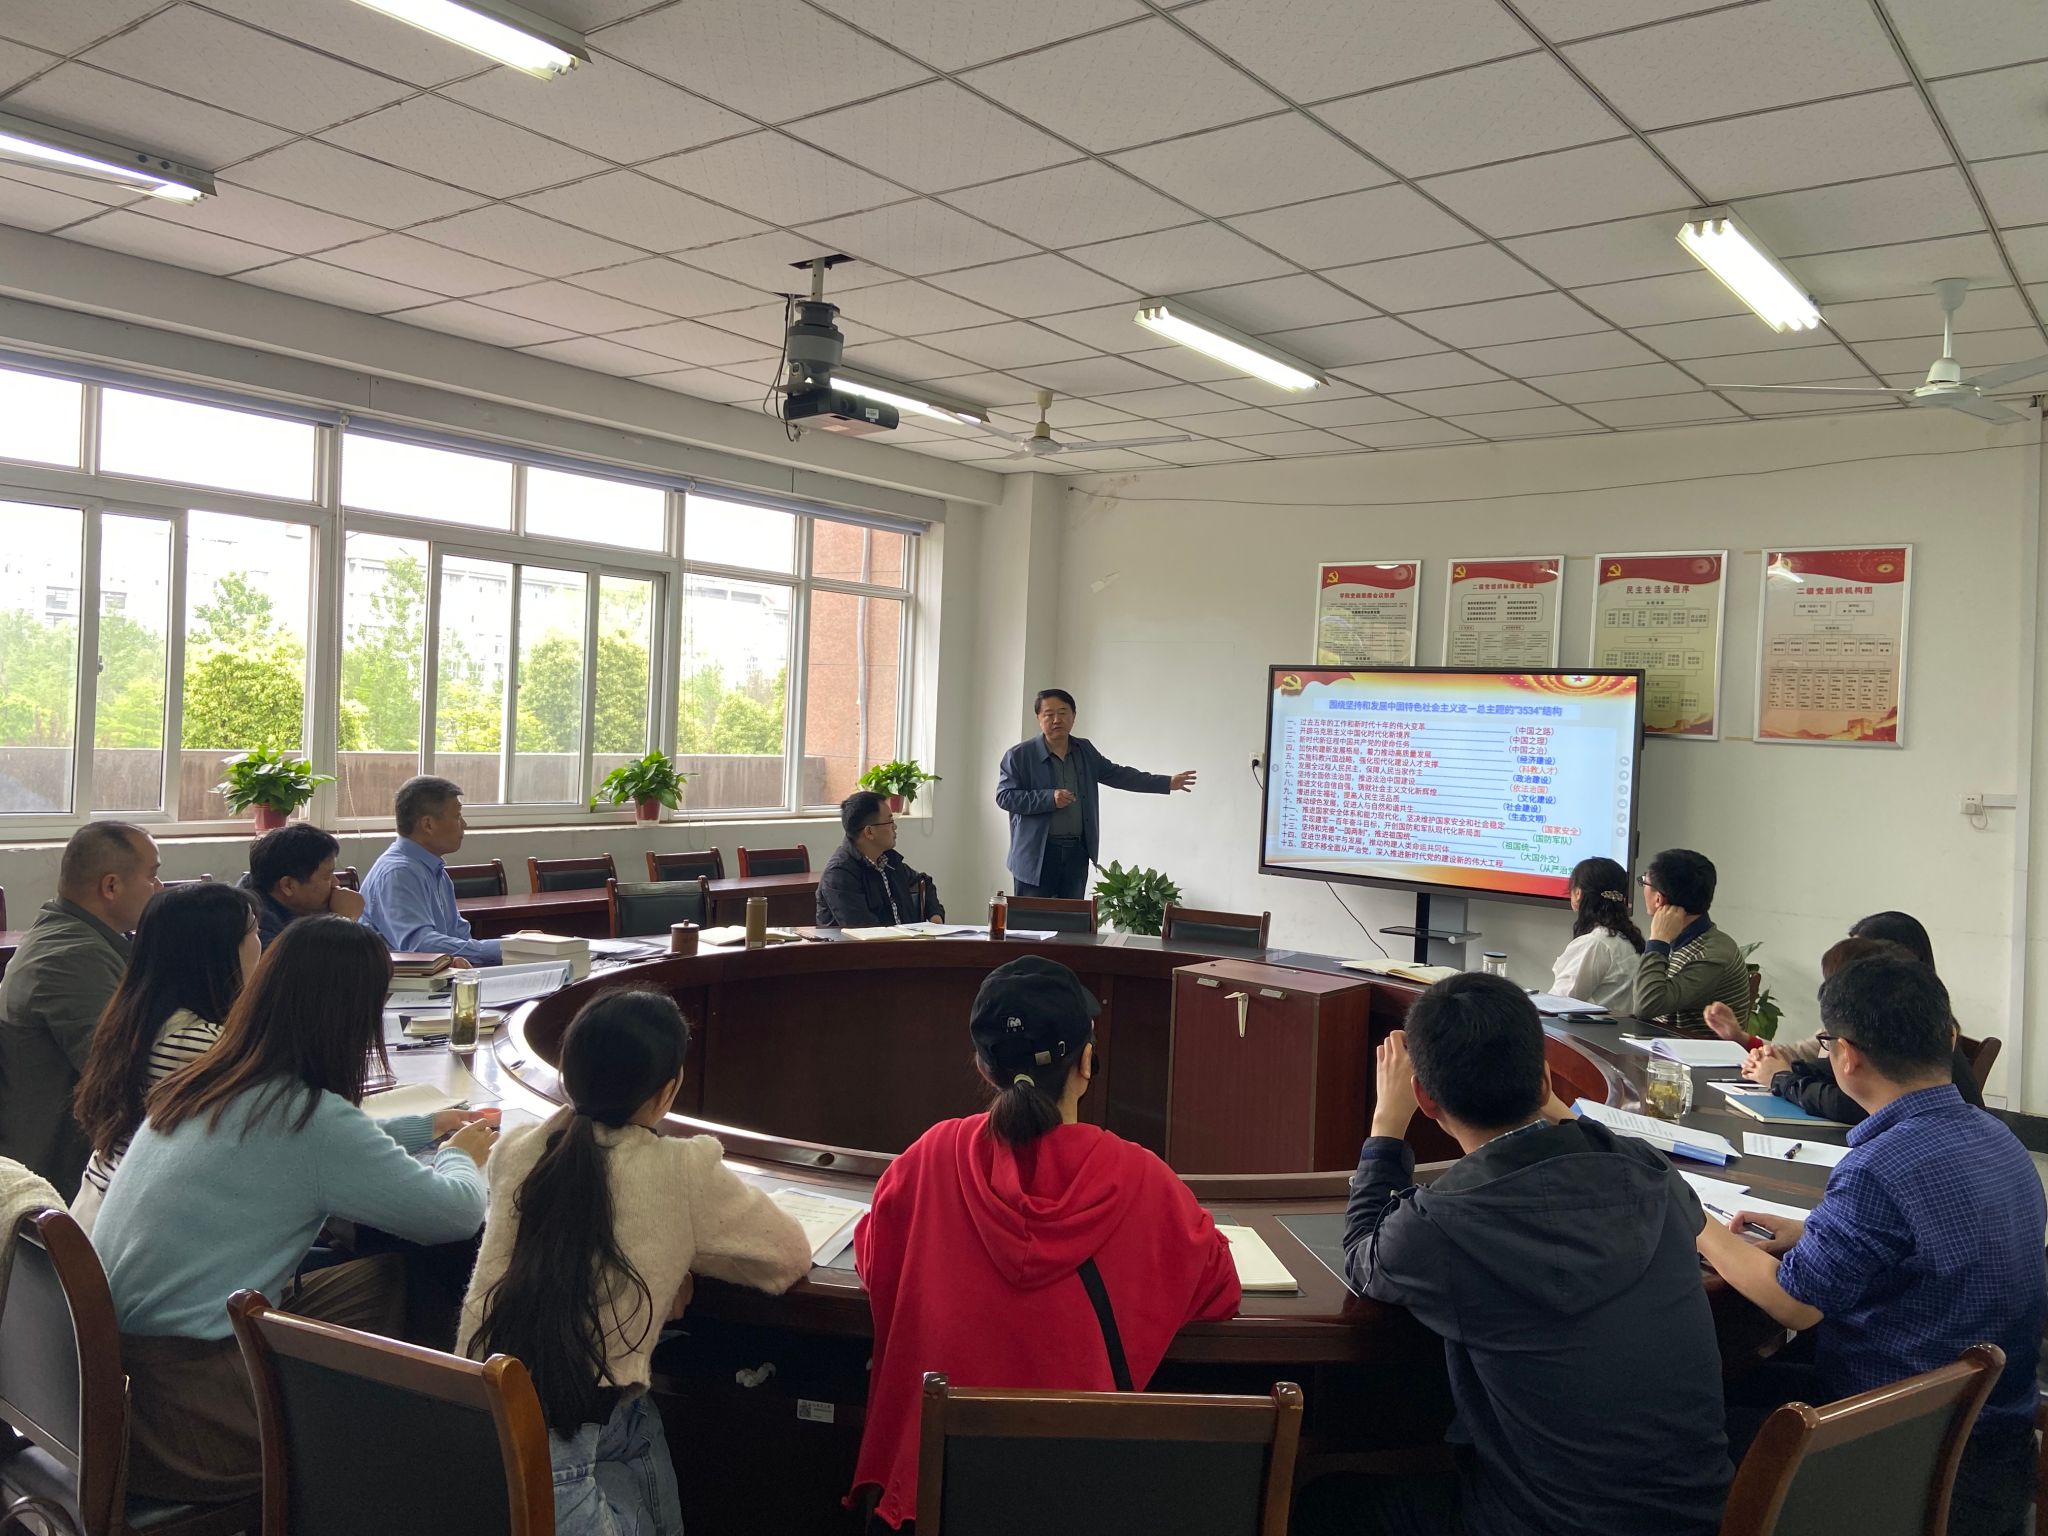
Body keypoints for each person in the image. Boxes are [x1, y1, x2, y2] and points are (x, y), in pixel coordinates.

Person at [93, 916, 497, 1502]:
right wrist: (461, 1155)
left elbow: (317, 1150)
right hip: (192, 1415)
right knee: (435, 1288)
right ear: (350, 1018)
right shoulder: (307, 1119)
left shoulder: (207, 1081)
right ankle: (413, 1476)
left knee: (389, 1280)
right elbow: (456, 1214)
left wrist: (423, 1128)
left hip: (126, 1383)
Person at [1316, 973, 1729, 1536]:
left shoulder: (1440, 1225)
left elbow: (1362, 1258)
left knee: (1323, 1500)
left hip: (1543, 1525)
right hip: (1702, 1517)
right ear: (1545, 1081)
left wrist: (1386, 1127)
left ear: (1424, 1098)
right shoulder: (1650, 1170)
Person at [850, 956, 1239, 1527]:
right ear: (1086, 1062)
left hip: (931, 1503)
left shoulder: (930, 1157)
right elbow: (1221, 1290)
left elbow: (874, 1257)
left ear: (984, 1068)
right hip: (1077, 1504)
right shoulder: (1142, 1179)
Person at [1700, 953, 2044, 1536]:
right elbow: (1936, 1244)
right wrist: (1811, 1234)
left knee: (1686, 1428)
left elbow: (1795, 1305)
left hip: (1894, 1456)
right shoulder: (1999, 1137)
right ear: (1948, 1038)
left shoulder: (1879, 1165)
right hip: (1993, 1447)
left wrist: (1693, 1217)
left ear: (1846, 1056)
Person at [462, 990, 810, 1536]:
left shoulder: (519, 1148)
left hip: (473, 1422)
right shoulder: (680, 1168)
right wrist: (676, 1258)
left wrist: (662, 1258)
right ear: (667, 1090)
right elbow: (786, 1258)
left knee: (640, 1421)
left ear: (566, 1073)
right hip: (556, 1468)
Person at [68, 883, 260, 1235]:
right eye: (254, 932)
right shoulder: (201, 1045)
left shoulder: (142, 1018)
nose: (261, 945)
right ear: (219, 953)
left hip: (113, 1217)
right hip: (141, 1235)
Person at [0, 822, 160, 1196]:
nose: (158, 887)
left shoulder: (78, 934)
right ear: (111, 886)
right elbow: (125, 1077)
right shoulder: (72, 958)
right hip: (62, 1176)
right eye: (152, 875)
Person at [1733, 937, 1982, 1123]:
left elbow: (1845, 1104)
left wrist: (1782, 1079)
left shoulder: (1883, 1035)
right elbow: (1823, 1066)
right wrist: (1782, 1068)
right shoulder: (1926, 1026)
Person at [995, 689, 1196, 900]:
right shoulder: (1019, 756)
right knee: (1032, 919)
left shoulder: (1084, 750)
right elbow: (1004, 796)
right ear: (1038, 718)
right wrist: (1049, 798)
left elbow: (1118, 775)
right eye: (1049, 714)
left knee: (1072, 919)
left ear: (1074, 716)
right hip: (1036, 856)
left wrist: (1166, 782)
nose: (1056, 720)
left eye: (1063, 712)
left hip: (1076, 854)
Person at [359, 775, 501, 964]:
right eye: (457, 816)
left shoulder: (435, 871)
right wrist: (503, 949)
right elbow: (420, 946)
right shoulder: (399, 873)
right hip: (401, 981)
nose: (464, 824)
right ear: (428, 824)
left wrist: (519, 946)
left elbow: (460, 937)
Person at [1631, 848, 1750, 1035]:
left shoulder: (1712, 954)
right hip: (1662, 1047)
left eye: (1644, 881)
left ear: (1658, 899)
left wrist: (1658, 940)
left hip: (1694, 1052)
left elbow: (1646, 1005)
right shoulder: (1678, 940)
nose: (1643, 887)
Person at [815, 791, 944, 928]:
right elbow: (864, 932)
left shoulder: (888, 861)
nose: (895, 827)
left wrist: (935, 916)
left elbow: (923, 882)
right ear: (869, 832)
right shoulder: (840, 875)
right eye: (890, 821)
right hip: (871, 942)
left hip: (904, 940)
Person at [238, 822, 365, 946]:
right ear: (288, 885)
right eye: (326, 876)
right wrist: (343, 921)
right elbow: (309, 959)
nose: (336, 883)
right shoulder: (251, 925)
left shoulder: (296, 903)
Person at [1546, 856, 1644, 1012]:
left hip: (1585, 1027)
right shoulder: (1627, 938)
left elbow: (1559, 1003)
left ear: (1578, 893)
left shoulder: (1595, 943)